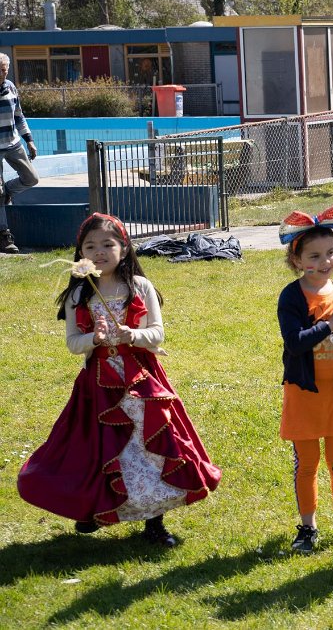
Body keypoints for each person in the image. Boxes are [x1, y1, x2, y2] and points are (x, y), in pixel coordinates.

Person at [17, 213, 220, 545]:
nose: (99, 252)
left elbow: (157, 334)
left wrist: (132, 335)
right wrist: (94, 340)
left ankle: (155, 521)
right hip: (97, 387)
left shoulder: (140, 287)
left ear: (124, 249)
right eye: (90, 246)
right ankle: (95, 507)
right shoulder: (78, 295)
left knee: (148, 445)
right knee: (95, 448)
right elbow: (73, 343)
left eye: (107, 244)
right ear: (80, 253)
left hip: (141, 382)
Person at [276, 201, 333, 554]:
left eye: (330, 253)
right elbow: (295, 343)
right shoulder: (291, 297)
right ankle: (307, 527)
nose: (324, 262)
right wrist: (330, 323)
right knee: (307, 464)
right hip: (304, 396)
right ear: (297, 260)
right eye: (313, 256)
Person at [0, 52, 40, 254]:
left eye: (5, 70)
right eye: (0, 70)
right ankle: (4, 236)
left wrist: (29, 141)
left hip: (13, 143)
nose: (2, 73)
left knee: (31, 178)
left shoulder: (10, 87)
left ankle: (7, 190)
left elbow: (19, 116)